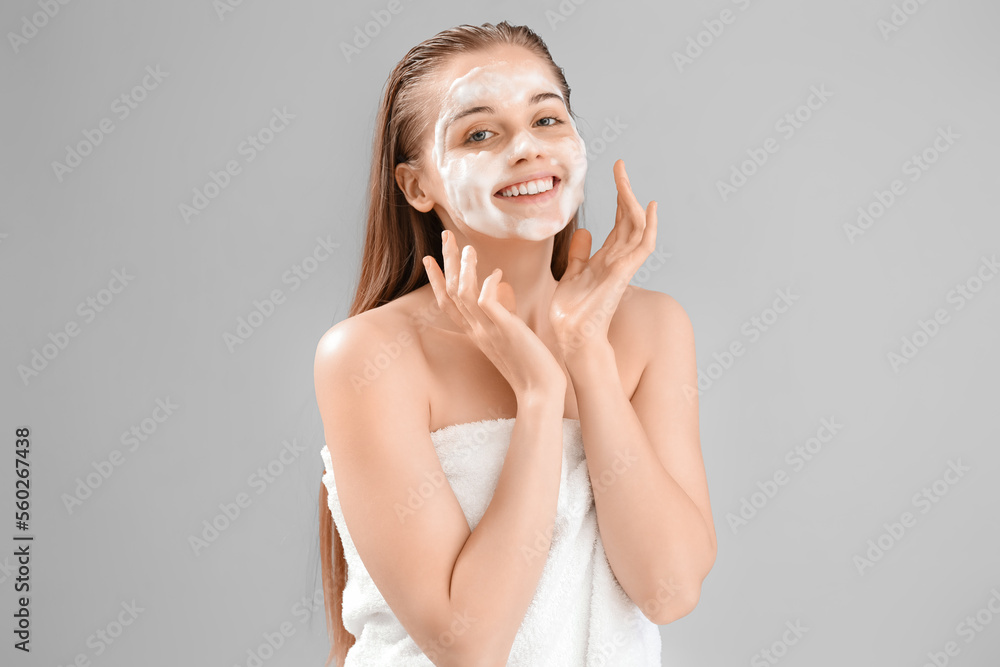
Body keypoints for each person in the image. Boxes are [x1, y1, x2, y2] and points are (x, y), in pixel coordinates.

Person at [314, 20, 717, 666]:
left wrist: (587, 357)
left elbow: (668, 588)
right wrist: (538, 395)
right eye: (480, 133)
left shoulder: (652, 328)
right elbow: (467, 644)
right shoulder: (368, 356)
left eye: (547, 120)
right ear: (418, 185)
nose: (527, 148)